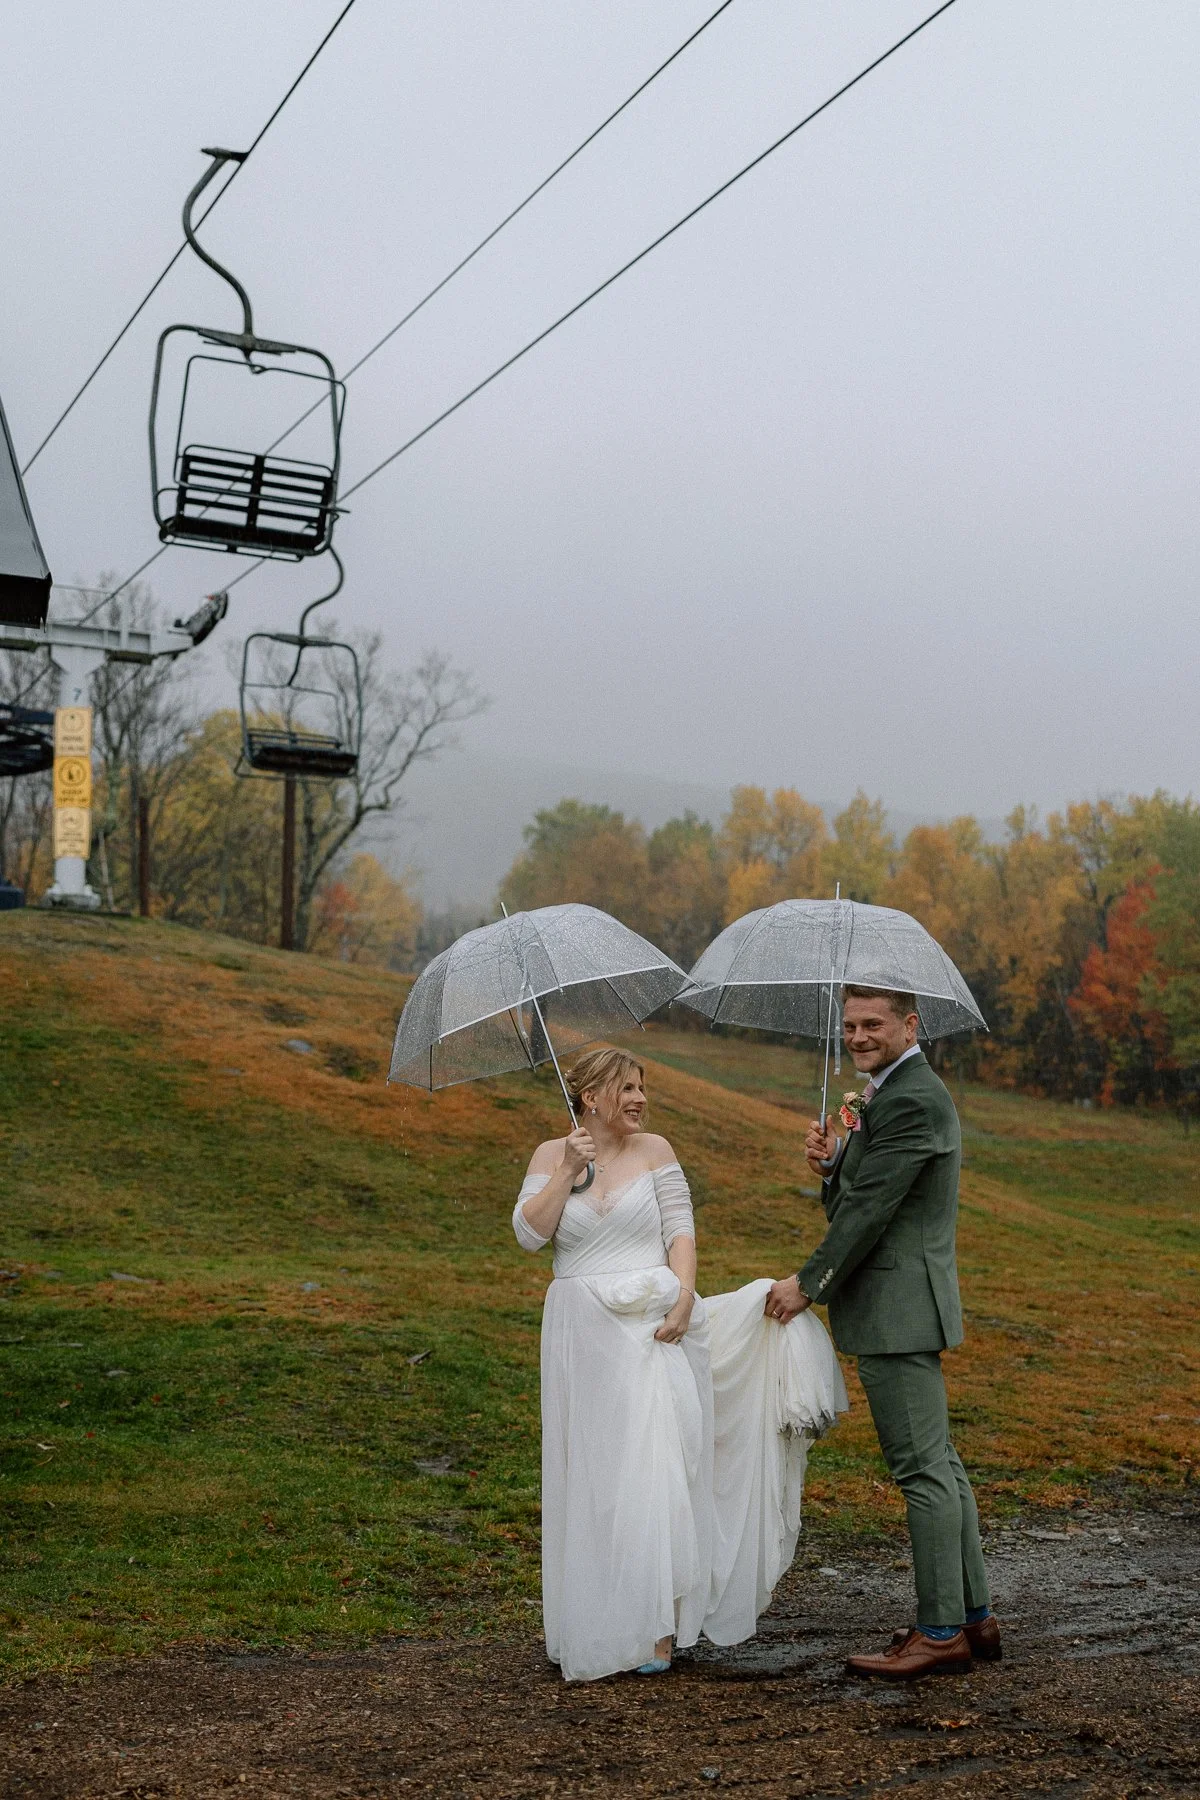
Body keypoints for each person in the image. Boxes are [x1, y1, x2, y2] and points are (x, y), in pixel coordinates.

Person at [514, 1046, 847, 1682]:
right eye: (627, 1088)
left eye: (642, 1087)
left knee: (656, 1465)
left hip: (656, 1327)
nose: (639, 1099)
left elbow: (681, 1234)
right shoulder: (550, 1156)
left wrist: (686, 1298)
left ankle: (659, 1633)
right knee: (595, 1474)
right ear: (589, 1097)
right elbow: (530, 1236)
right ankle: (600, 1619)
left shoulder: (658, 1150)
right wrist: (566, 1172)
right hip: (582, 1333)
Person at [764, 986, 997, 1679]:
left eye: (873, 1024)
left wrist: (808, 1285)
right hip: (903, 1302)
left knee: (923, 1472)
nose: (859, 1036)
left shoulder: (912, 1096)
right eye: (851, 1026)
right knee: (943, 1466)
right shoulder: (885, 1094)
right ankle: (974, 1619)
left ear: (909, 1025)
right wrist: (835, 1160)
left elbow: (868, 1213)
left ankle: (940, 1633)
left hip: (898, 1308)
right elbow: (858, 1192)